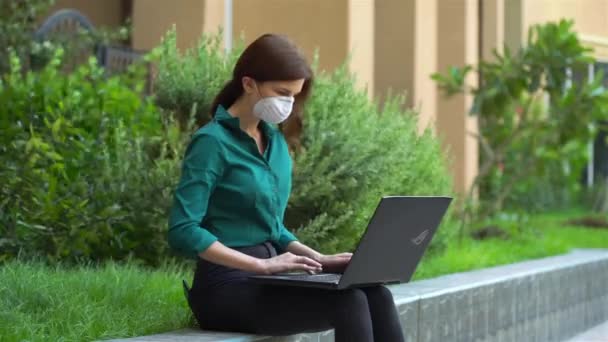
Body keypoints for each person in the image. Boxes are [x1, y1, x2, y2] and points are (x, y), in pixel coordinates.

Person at [168, 33, 405, 342]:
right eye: (281, 92)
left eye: (294, 95)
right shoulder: (211, 143)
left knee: (377, 294)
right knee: (349, 301)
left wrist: (320, 259)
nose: (288, 104)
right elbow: (182, 229)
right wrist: (261, 264)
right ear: (249, 83)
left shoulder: (275, 142)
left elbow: (273, 228)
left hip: (269, 278)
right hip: (224, 286)